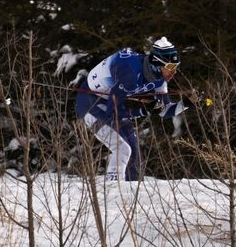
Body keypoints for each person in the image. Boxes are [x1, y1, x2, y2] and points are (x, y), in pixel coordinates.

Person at [75, 38, 188, 182]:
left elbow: (165, 112)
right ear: (157, 64)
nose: (174, 72)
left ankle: (132, 194)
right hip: (88, 102)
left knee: (134, 151)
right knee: (123, 149)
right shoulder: (131, 72)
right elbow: (113, 112)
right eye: (171, 66)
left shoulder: (160, 80)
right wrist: (141, 111)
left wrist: (187, 103)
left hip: (109, 101)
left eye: (176, 66)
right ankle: (113, 192)